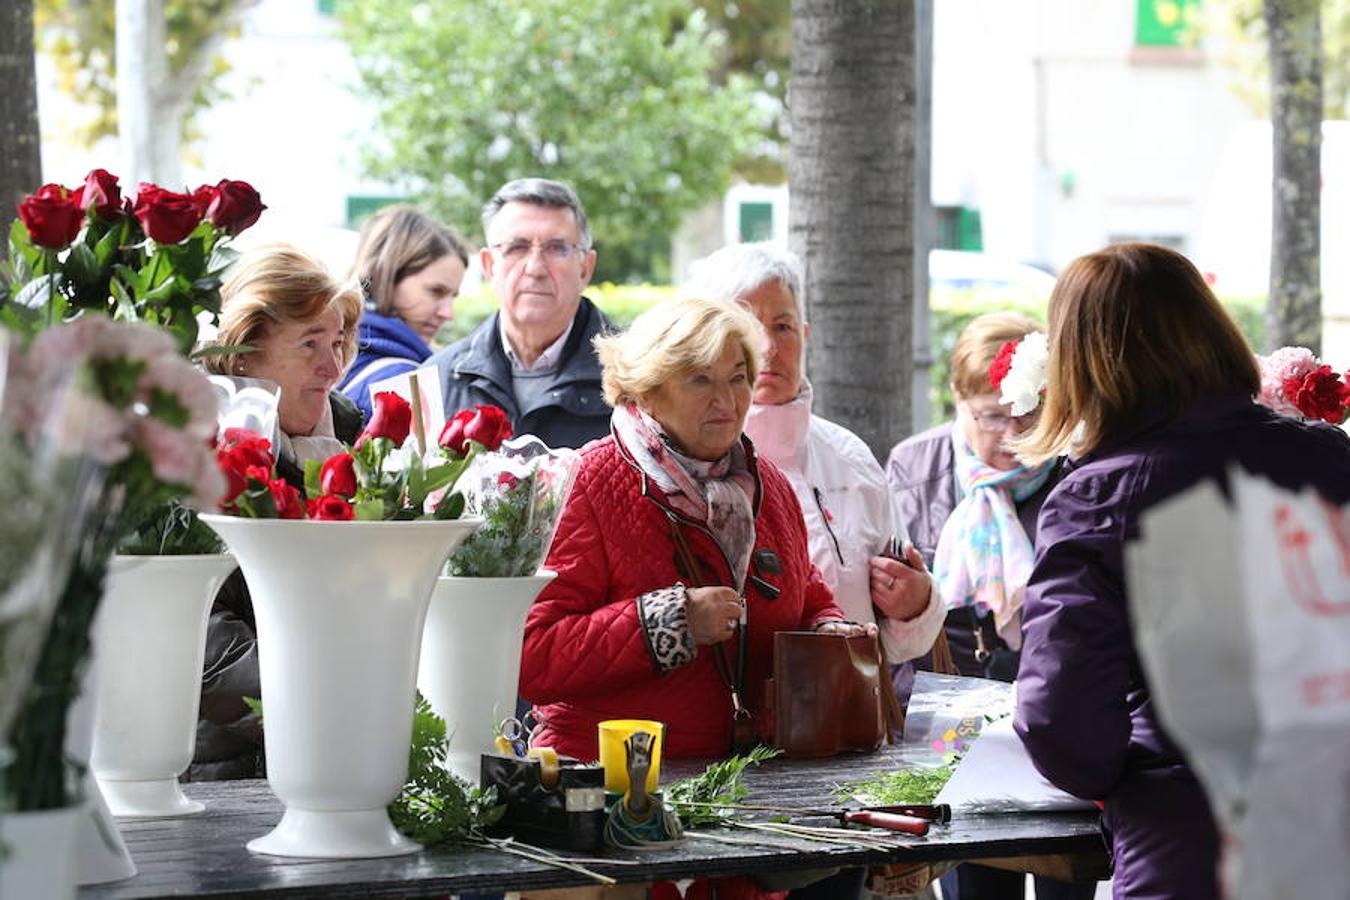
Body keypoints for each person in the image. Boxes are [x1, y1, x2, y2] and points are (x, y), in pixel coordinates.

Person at [1012, 243, 1350, 900]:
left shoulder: (1097, 498)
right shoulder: (1329, 458)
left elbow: (1062, 716)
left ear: (1083, 361)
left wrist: (1126, 775)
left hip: (1195, 841)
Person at [519, 295, 870, 761]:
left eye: (738, 378)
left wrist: (828, 627)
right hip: (611, 782)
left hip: (750, 779)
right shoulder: (583, 483)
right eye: (700, 379)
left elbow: (806, 592)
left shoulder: (771, 486)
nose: (726, 401)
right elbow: (530, 654)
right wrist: (668, 623)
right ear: (646, 389)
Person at [887, 312, 1094, 900]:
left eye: (1027, 414)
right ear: (957, 400)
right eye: (991, 416)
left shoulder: (1076, 471)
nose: (1010, 435)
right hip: (953, 716)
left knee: (1067, 879)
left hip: (1055, 709)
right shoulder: (915, 466)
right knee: (974, 883)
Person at [687, 243, 943, 665]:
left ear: (805, 335)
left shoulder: (848, 456)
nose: (767, 347)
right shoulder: (679, 462)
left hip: (840, 719)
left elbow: (899, 644)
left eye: (783, 326)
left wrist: (915, 603)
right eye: (746, 328)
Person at [191, 244, 365, 779]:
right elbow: (201, 636)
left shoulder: (344, 436)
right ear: (243, 353)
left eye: (337, 342)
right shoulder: (188, 446)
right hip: (220, 770)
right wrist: (324, 705)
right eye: (310, 343)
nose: (332, 366)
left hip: (331, 747)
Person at [429, 178, 612, 449]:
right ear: (489, 266)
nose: (535, 268)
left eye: (556, 248)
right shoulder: (438, 380)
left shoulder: (639, 381)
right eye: (517, 247)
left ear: (586, 268)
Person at [339, 205, 470, 419]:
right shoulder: (400, 381)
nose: (448, 313)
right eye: (435, 291)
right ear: (385, 277)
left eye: (452, 297)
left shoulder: (331, 350)